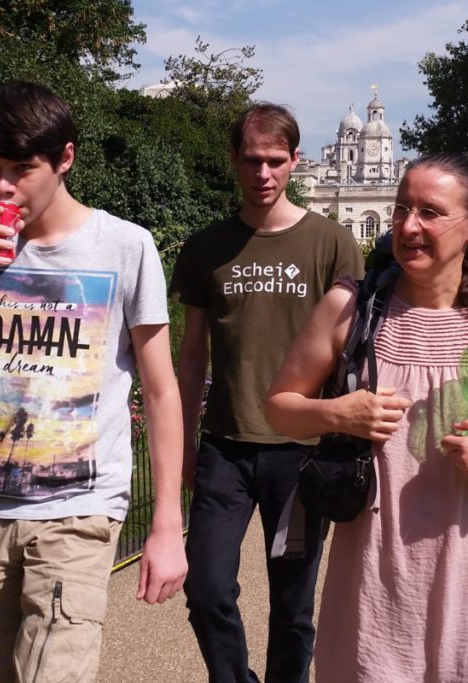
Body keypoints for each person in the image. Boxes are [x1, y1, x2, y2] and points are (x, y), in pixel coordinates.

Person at [265, 152, 468, 681]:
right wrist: (336, 412)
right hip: (376, 572)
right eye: (402, 209)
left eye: (430, 212)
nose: (408, 226)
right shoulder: (350, 308)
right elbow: (279, 409)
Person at [0, 82, 187, 682]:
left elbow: (162, 389)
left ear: (65, 158)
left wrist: (167, 525)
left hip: (81, 509)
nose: (2, 186)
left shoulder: (125, 246)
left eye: (22, 167)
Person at [170, 103, 364, 683]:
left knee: (293, 607)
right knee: (205, 590)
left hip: (300, 451)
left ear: (295, 161)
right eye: (252, 160)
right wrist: (181, 444)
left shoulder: (331, 244)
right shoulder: (206, 247)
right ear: (234, 160)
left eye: (275, 161)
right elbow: (192, 356)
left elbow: (354, 353)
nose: (263, 173)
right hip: (225, 448)